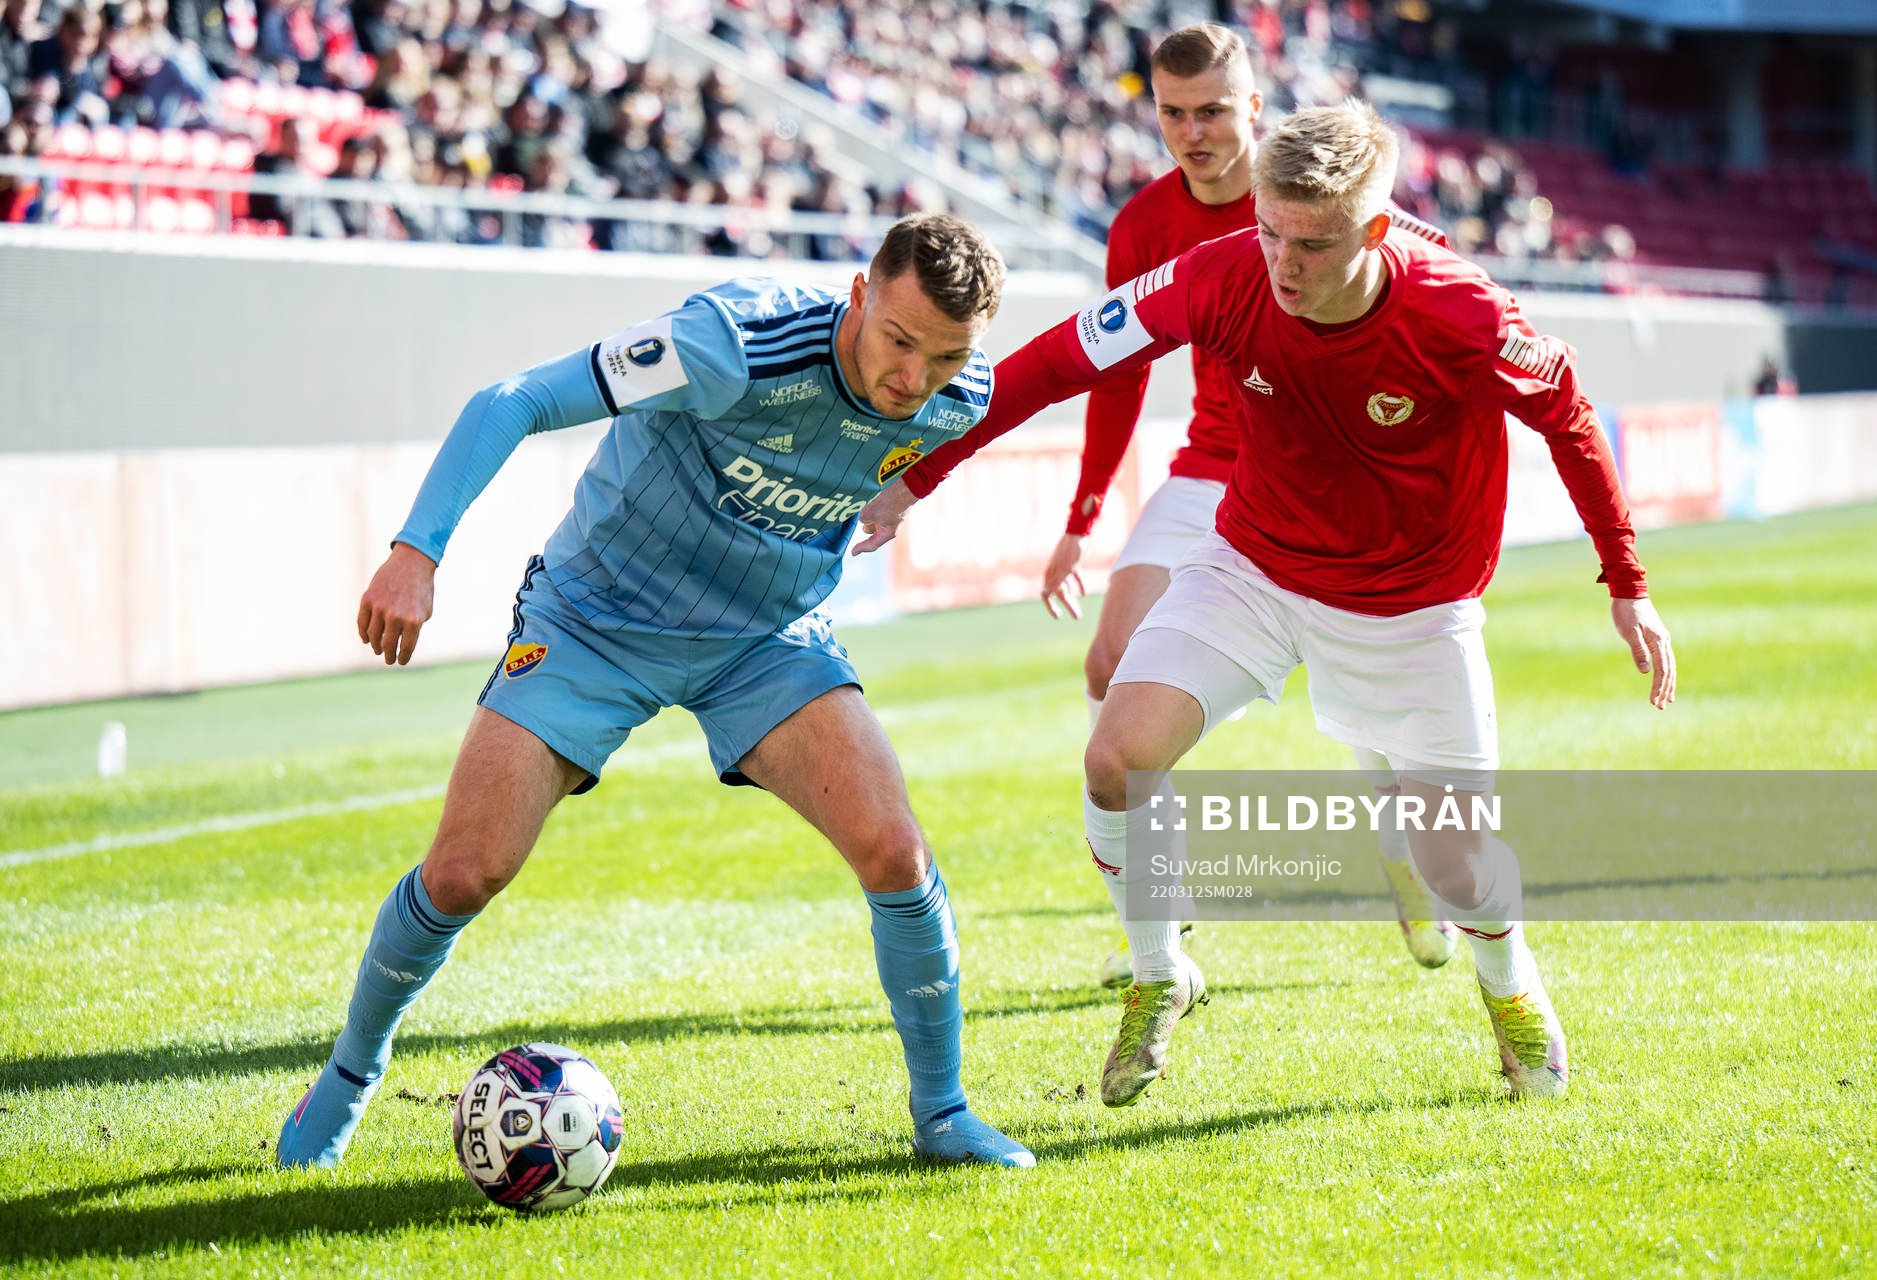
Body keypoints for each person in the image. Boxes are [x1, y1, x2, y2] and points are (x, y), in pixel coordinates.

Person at [855, 103, 1676, 1109]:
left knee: (1454, 862)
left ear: (1376, 231)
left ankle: (1509, 986)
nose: (1282, 261)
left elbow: (1570, 417)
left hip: (1411, 608)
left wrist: (1626, 584)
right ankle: (1159, 971)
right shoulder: (1220, 274)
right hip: (1253, 567)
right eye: (1268, 230)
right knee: (1115, 757)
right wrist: (919, 474)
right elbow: (1058, 361)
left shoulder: (1460, 314)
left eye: (1311, 242)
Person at [276, 213, 1034, 1170]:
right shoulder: (731, 345)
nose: (914, 379)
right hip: (596, 621)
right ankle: (350, 1075)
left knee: (895, 851)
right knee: (465, 872)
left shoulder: (958, 394)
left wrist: (898, 491)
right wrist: (415, 551)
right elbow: (513, 399)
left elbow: (910, 438)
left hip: (762, 641)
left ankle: (944, 1115)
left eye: (946, 355)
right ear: (859, 292)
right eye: (899, 341)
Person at [1045, 24, 1456, 989]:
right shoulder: (1141, 225)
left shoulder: (1316, 193)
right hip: (1212, 466)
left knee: (1363, 704)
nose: (1192, 133)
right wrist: (1082, 517)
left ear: (1254, 109)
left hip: (1327, 471)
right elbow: (1114, 373)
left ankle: (1405, 860)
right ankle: (1166, 915)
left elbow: (1431, 275)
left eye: (1212, 112)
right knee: (1109, 663)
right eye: (1172, 113)